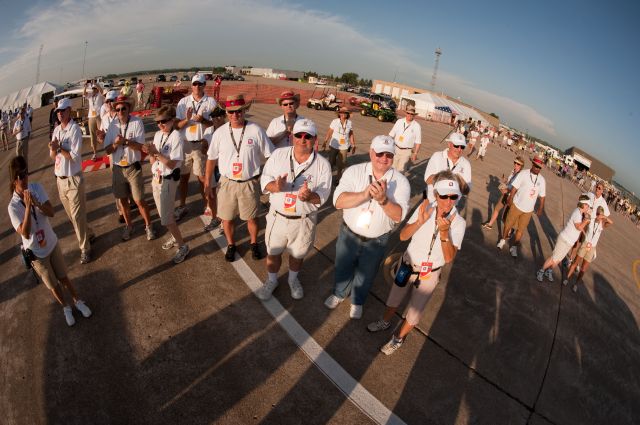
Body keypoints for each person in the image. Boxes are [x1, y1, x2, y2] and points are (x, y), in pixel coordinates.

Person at [368, 171, 466, 355]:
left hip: (429, 274)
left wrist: (445, 234)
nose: (448, 201)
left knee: (415, 310)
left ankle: (398, 338)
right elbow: (403, 235)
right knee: (394, 298)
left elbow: (449, 258)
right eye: (444, 195)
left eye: (453, 197)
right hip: (407, 264)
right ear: (436, 194)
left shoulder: (459, 223)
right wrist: (419, 223)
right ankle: (385, 321)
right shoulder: (425, 207)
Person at [324, 135, 410, 319]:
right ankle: (339, 293)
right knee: (343, 265)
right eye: (379, 153)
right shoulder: (354, 172)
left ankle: (357, 301)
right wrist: (364, 195)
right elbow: (338, 202)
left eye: (389, 155)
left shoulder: (401, 182)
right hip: (349, 233)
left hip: (377, 239)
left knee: (367, 273)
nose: (383, 158)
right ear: (371, 152)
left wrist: (383, 200)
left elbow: (398, 216)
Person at [7, 156, 92, 327]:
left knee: (63, 277)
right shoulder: (13, 206)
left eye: (26, 173)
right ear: (14, 179)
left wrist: (36, 203)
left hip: (51, 243)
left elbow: (51, 212)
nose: (25, 178)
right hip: (36, 253)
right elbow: (24, 232)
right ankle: (65, 307)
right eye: (20, 176)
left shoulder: (36, 188)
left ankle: (77, 300)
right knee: (53, 285)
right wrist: (28, 207)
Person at [257, 119, 332, 300]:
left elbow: (323, 195)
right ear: (292, 136)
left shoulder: (323, 165)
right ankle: (272, 280)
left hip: (303, 220)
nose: (303, 139)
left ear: (315, 139)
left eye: (308, 136)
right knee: (273, 253)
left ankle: (292, 280)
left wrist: (309, 197)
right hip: (278, 217)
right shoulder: (278, 155)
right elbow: (264, 178)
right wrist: (275, 186)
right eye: (299, 135)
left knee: (297, 255)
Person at [204, 94, 274, 262]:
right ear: (226, 112)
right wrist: (207, 182)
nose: (235, 115)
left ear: (244, 111)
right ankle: (230, 244)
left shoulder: (256, 130)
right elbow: (211, 159)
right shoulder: (219, 133)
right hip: (227, 183)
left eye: (239, 111)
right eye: (231, 112)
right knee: (226, 218)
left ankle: (254, 243)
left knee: (252, 218)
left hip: (249, 183)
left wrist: (269, 180)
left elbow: (271, 156)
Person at [103, 96, 156, 241]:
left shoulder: (137, 122)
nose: (120, 111)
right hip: (118, 168)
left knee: (139, 200)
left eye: (123, 108)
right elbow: (107, 150)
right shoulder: (113, 125)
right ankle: (129, 226)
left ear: (128, 109)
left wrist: (124, 141)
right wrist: (115, 144)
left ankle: (149, 226)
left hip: (133, 167)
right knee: (123, 201)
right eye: (117, 109)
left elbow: (141, 147)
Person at [49, 98, 95, 264]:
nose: (59, 113)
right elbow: (54, 157)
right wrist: (54, 150)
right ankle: (88, 233)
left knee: (76, 216)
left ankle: (85, 248)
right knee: (72, 216)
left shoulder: (74, 130)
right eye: (58, 111)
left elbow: (74, 158)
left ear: (69, 111)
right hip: (60, 179)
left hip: (73, 179)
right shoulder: (56, 130)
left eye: (62, 110)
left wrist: (60, 147)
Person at [143, 105, 190, 264]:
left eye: (163, 121)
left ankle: (183, 246)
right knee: (165, 215)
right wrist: (151, 153)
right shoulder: (158, 134)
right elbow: (152, 161)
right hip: (157, 178)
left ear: (172, 120)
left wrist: (156, 153)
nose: (160, 124)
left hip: (168, 179)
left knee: (166, 218)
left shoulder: (176, 136)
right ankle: (175, 237)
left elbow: (171, 164)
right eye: (158, 122)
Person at [174, 74, 217, 222]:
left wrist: (203, 120)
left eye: (200, 84)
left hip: (200, 143)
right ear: (191, 85)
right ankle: (182, 205)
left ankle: (207, 205)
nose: (197, 87)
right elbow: (175, 125)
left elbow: (215, 124)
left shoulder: (211, 102)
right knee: (183, 177)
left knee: (201, 178)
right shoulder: (183, 102)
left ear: (205, 85)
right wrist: (187, 119)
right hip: (185, 144)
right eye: (195, 84)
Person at [497, 155, 546, 258]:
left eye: (539, 167)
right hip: (517, 205)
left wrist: (541, 208)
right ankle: (503, 239)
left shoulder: (542, 180)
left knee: (521, 230)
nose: (537, 169)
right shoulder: (523, 174)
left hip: (528, 211)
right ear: (532, 164)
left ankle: (514, 247)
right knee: (508, 224)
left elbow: (542, 196)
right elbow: (514, 188)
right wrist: (510, 199)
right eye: (536, 166)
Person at [536, 195, 591, 283]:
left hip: (569, 242)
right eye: (588, 205)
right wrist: (586, 220)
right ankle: (541, 271)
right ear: (584, 205)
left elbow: (580, 229)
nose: (588, 207)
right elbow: (578, 227)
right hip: (564, 239)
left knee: (559, 259)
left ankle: (549, 271)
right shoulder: (577, 213)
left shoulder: (581, 214)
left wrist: (586, 234)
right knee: (554, 258)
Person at [564, 206, 613, 292]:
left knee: (583, 269)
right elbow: (583, 223)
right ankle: (567, 278)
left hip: (592, 248)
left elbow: (611, 222)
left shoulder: (602, 224)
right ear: (596, 213)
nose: (599, 216)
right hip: (585, 244)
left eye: (600, 215)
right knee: (575, 262)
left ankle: (576, 284)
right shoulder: (591, 220)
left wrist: (604, 217)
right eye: (598, 214)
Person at [423, 132, 471, 202]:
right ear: (449, 144)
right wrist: (447, 176)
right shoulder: (437, 156)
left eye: (462, 147)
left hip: (451, 205)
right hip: (430, 200)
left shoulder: (466, 164)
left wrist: (458, 179)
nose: (459, 149)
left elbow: (466, 191)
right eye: (456, 146)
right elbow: (427, 180)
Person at [201, 107, 227, 232]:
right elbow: (203, 149)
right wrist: (204, 146)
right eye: (214, 116)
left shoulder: (229, 130)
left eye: (219, 116)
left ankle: (224, 221)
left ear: (224, 117)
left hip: (224, 168)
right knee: (211, 195)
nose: (216, 119)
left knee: (223, 196)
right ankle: (215, 217)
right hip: (212, 167)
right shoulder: (208, 130)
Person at [482, 156, 524, 229]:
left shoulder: (520, 175)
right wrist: (505, 180)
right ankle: (490, 224)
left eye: (518, 164)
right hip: (505, 193)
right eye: (515, 162)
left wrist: (507, 191)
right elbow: (509, 181)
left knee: (506, 217)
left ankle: (510, 231)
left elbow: (517, 188)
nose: (515, 165)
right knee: (497, 208)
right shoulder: (513, 171)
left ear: (521, 166)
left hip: (511, 197)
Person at [321, 106, 355, 183]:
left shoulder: (349, 123)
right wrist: (325, 141)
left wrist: (353, 145)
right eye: (341, 113)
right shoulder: (334, 121)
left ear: (347, 115)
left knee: (341, 164)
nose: (343, 114)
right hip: (334, 145)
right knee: (331, 162)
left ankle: (338, 179)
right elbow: (329, 132)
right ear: (339, 114)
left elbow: (351, 134)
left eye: (345, 113)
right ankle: (327, 178)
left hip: (344, 146)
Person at [388, 104, 421, 173]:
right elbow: (391, 135)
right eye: (408, 113)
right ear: (406, 113)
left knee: (400, 171)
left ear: (414, 115)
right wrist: (387, 147)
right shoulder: (399, 122)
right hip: (395, 149)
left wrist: (415, 154)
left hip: (406, 151)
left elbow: (418, 142)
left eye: (412, 114)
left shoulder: (417, 126)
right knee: (390, 169)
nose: (409, 115)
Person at [83, 83, 104, 160]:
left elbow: (102, 91)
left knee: (102, 133)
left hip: (98, 116)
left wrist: (96, 85)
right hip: (91, 117)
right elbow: (84, 93)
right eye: (93, 89)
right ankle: (95, 153)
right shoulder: (90, 95)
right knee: (92, 135)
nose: (94, 90)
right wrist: (85, 86)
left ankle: (108, 150)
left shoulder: (100, 95)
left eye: (95, 89)